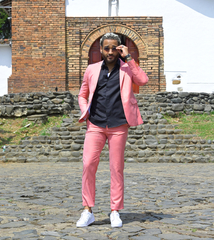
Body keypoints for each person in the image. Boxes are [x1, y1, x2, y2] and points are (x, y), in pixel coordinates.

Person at [76, 32, 148, 228]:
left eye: (114, 48)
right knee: (88, 164)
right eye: (106, 48)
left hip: (119, 125)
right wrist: (85, 111)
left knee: (116, 168)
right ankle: (87, 210)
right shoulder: (91, 69)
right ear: (101, 49)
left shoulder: (127, 68)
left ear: (119, 49)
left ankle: (115, 211)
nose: (110, 52)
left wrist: (129, 57)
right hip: (96, 125)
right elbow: (82, 94)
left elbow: (143, 80)